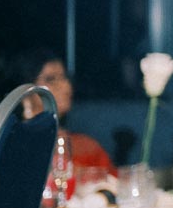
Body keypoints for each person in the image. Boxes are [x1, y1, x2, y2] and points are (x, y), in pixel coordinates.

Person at [15, 49, 117, 178]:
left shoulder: (86, 147)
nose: (66, 86)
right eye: (50, 79)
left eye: (65, 78)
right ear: (25, 92)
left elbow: (114, 187)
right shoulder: (13, 147)